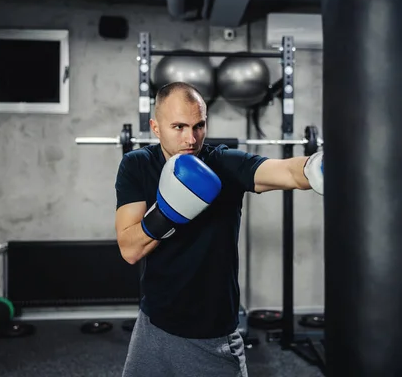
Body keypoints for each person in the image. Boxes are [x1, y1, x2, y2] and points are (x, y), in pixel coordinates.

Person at [115, 81, 324, 377]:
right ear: (156, 127)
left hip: (212, 336)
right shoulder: (136, 166)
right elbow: (129, 248)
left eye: (198, 126)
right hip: (153, 326)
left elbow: (287, 172)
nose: (191, 138)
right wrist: (168, 210)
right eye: (179, 127)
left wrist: (319, 167)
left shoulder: (224, 164)